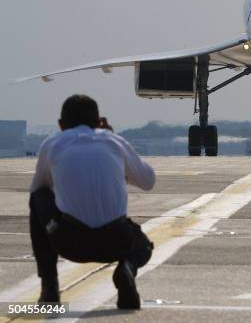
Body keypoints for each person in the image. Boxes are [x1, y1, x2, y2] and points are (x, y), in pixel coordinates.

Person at [29, 94, 156, 309]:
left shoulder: (52, 144)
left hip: (70, 242)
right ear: (99, 122)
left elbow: (38, 188)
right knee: (143, 246)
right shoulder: (114, 141)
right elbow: (148, 181)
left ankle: (49, 286)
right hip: (116, 241)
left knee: (38, 197)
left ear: (61, 125)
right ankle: (127, 267)